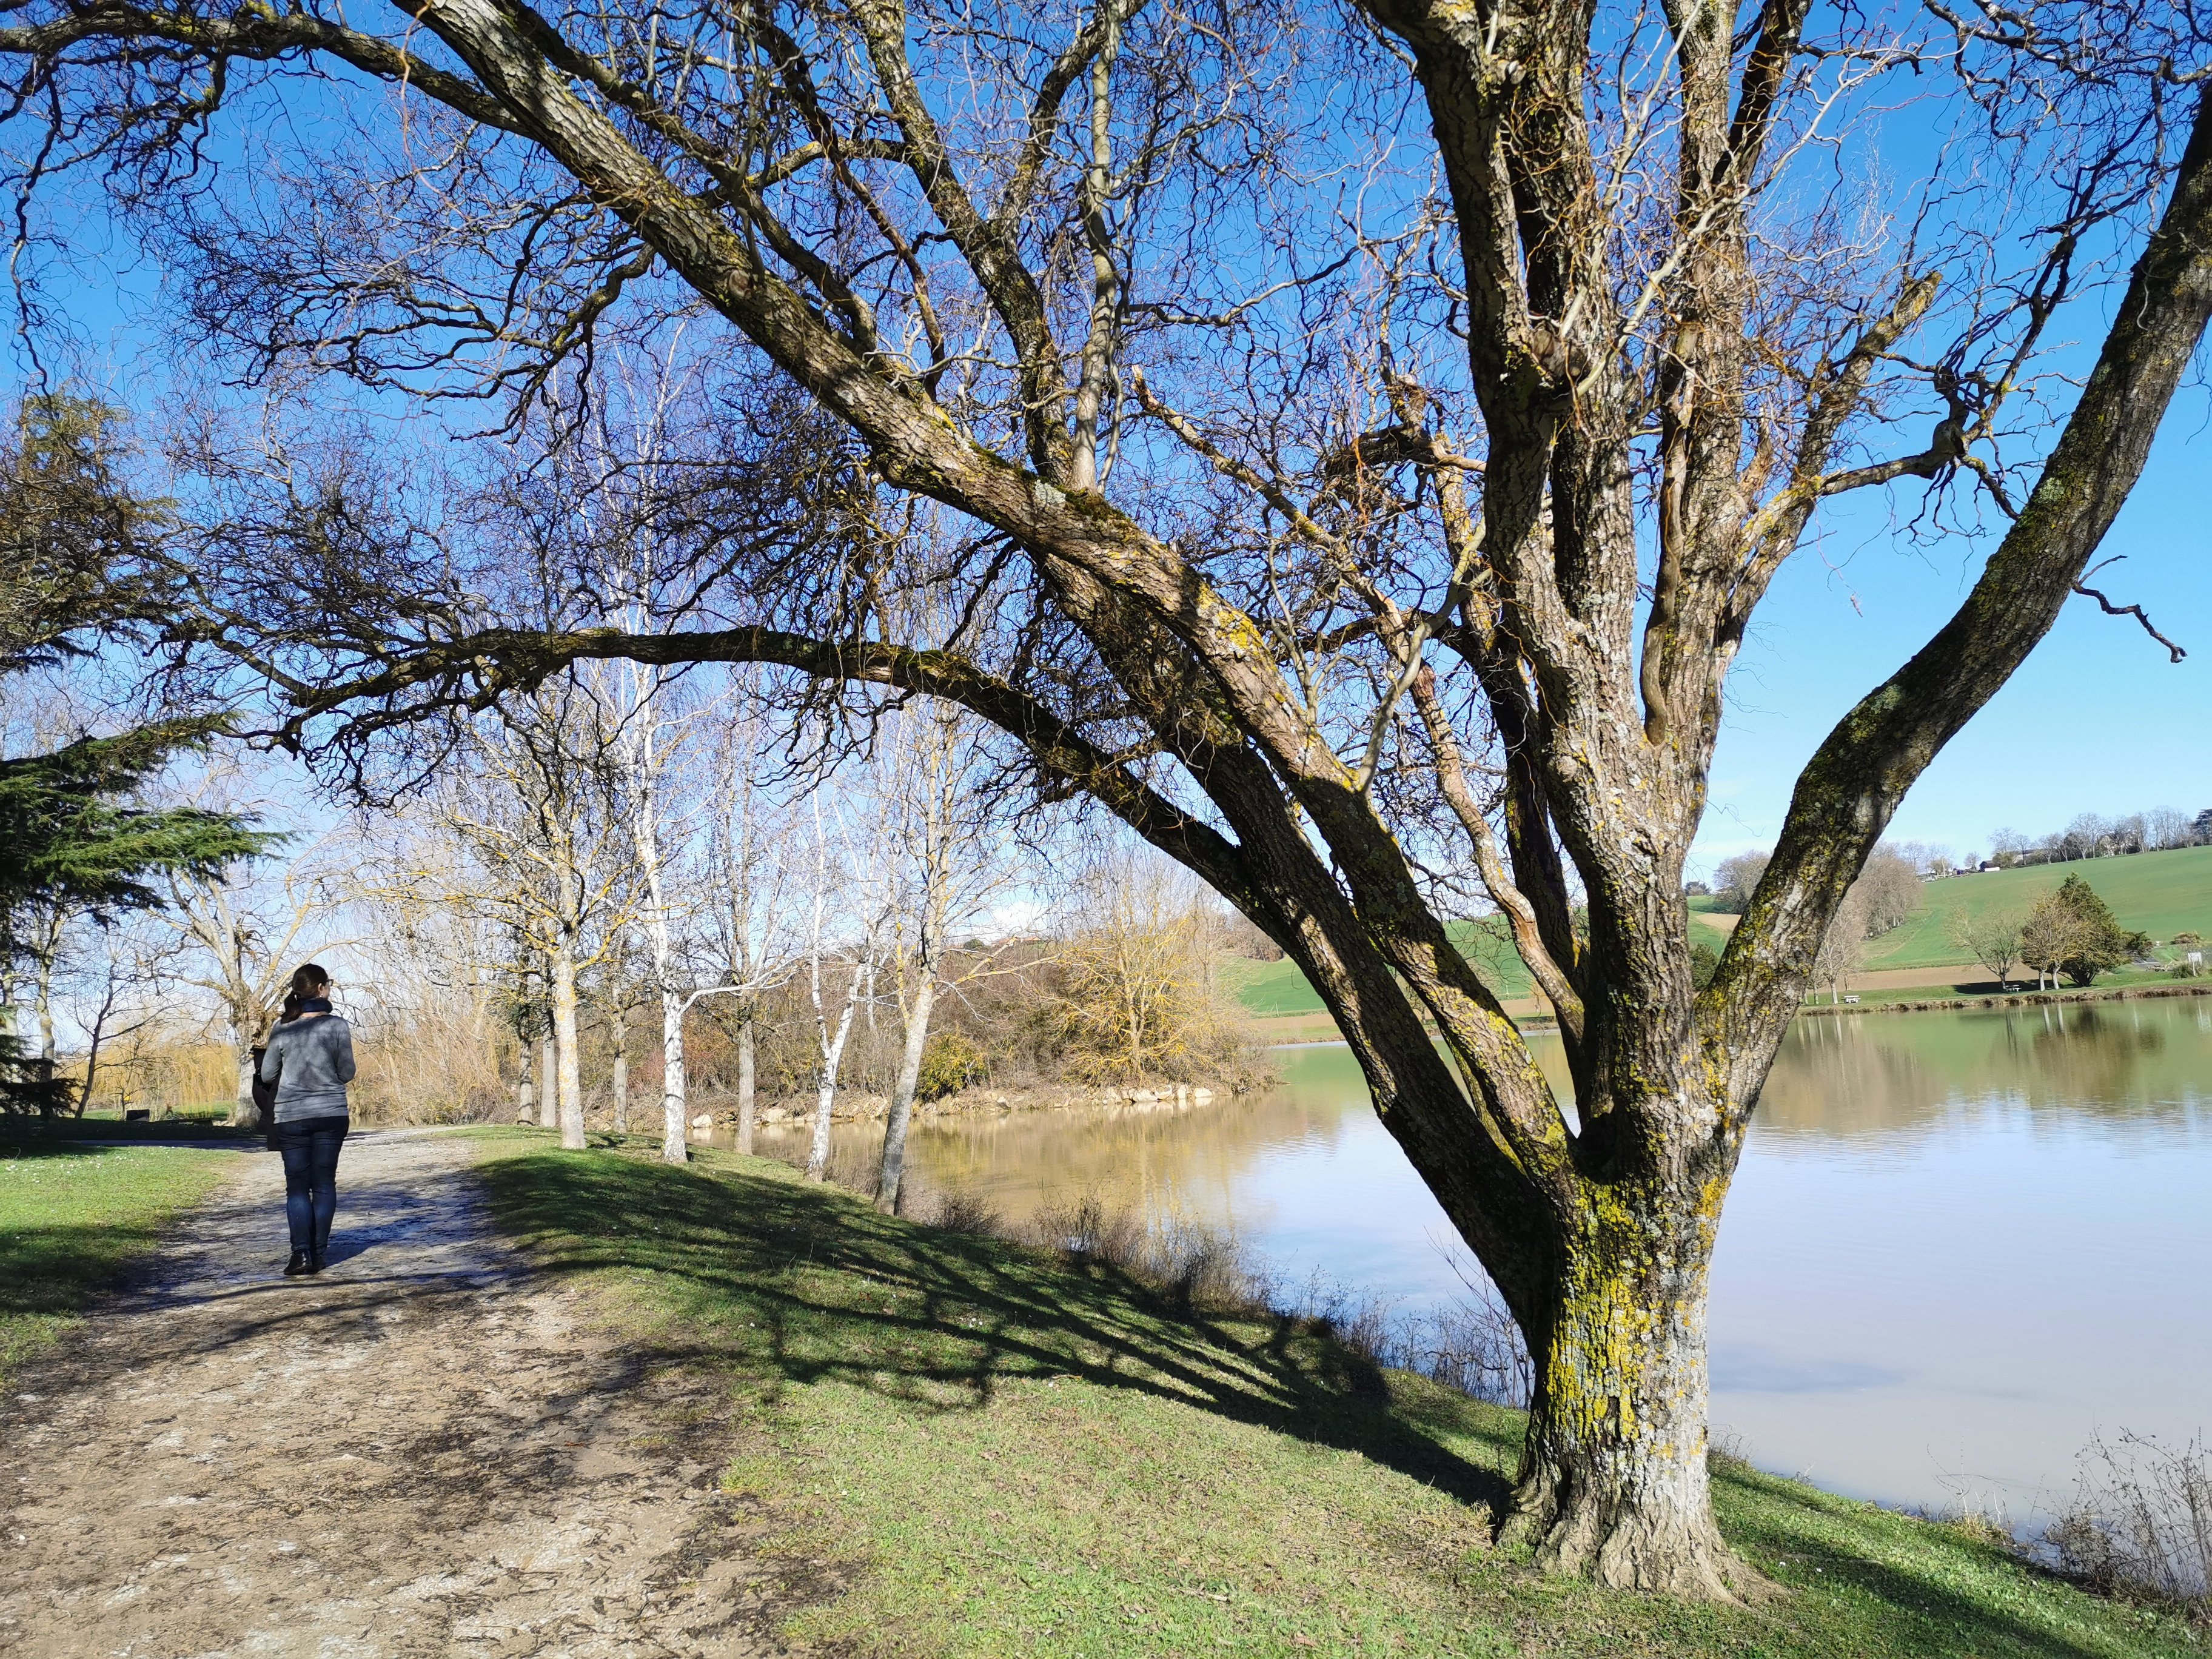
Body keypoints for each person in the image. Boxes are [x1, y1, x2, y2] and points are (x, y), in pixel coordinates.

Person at [258, 964, 356, 1277]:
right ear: (321, 989)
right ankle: (320, 1252)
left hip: (291, 1117)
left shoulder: (282, 1027)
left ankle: (301, 1255)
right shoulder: (337, 1026)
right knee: (324, 1184)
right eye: (328, 985)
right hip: (330, 1113)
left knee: (297, 1188)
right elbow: (347, 1073)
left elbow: (266, 1074)